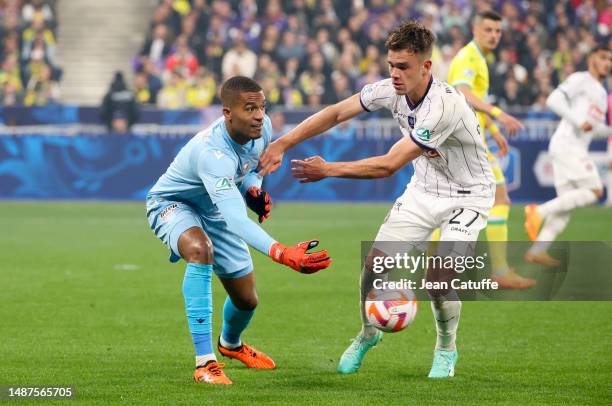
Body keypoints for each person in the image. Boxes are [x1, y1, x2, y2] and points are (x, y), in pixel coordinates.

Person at [260, 21, 495, 378]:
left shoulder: (443, 107)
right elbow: (337, 112)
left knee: (438, 279)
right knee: (373, 266)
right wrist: (282, 143)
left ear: (426, 67)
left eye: (404, 67)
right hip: (425, 189)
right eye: (391, 65)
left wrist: (329, 169)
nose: (395, 74)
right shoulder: (390, 90)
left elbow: (388, 165)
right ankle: (368, 334)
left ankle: (446, 349)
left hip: (469, 195)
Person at [146, 76, 331, 385]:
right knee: (199, 250)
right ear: (227, 114)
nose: (259, 115)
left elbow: (250, 173)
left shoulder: (263, 129)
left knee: (247, 301)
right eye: (250, 108)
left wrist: (252, 191)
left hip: (216, 207)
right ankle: (205, 362)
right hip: (174, 203)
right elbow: (236, 220)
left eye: (261, 107)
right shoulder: (212, 154)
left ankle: (230, 344)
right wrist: (281, 252)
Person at [447, 10, 535, 289]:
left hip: (473, 140)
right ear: (475, 29)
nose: (494, 35)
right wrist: (499, 114)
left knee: (474, 203)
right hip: (467, 143)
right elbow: (462, 93)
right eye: (488, 30)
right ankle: (498, 270)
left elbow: (473, 103)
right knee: (496, 200)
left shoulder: (480, 58)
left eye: (498, 31)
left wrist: (494, 130)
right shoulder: (468, 57)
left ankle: (440, 269)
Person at [524, 46, 612, 264]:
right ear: (592, 59)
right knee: (595, 190)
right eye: (603, 57)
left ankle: (537, 250)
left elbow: (594, 128)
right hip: (567, 144)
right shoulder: (581, 79)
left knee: (566, 207)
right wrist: (576, 120)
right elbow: (554, 99)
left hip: (573, 147)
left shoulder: (601, 93)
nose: (608, 63)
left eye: (610, 59)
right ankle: (537, 211)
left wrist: (609, 131)